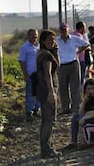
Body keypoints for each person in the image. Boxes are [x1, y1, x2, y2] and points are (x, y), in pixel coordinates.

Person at [36, 29, 60, 159]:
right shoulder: (45, 55)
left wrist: (55, 51)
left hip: (43, 90)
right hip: (47, 90)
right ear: (43, 41)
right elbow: (48, 74)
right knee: (49, 119)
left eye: (54, 40)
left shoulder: (44, 53)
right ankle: (46, 149)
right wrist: (51, 92)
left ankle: (46, 147)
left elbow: (58, 65)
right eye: (50, 40)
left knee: (46, 119)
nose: (53, 42)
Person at [57, 22, 90, 115]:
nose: (64, 31)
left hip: (73, 64)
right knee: (63, 87)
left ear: (68, 29)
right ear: (60, 30)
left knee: (75, 87)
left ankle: (76, 107)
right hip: (62, 65)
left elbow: (86, 44)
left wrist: (78, 51)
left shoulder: (74, 39)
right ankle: (65, 108)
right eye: (62, 29)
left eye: (65, 29)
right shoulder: (56, 40)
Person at [18, 28, 40, 122]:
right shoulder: (25, 47)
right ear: (28, 36)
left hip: (40, 74)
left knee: (39, 94)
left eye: (35, 34)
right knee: (30, 94)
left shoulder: (40, 46)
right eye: (32, 34)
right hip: (31, 74)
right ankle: (29, 112)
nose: (34, 36)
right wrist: (25, 74)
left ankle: (36, 110)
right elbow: (21, 61)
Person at [71, 21, 90, 86]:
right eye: (84, 28)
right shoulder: (79, 35)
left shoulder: (71, 34)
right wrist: (78, 51)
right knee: (81, 77)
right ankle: (81, 91)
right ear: (82, 28)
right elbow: (85, 45)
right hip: (80, 59)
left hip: (72, 59)